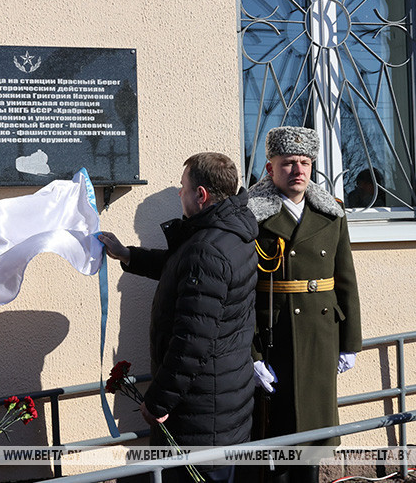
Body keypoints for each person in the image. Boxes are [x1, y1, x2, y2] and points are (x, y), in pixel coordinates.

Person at [100, 152, 258, 483]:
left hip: (202, 412)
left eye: (183, 187)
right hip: (221, 402)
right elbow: (180, 268)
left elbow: (192, 342)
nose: (179, 193)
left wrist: (157, 402)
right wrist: (129, 255)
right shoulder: (225, 232)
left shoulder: (208, 248)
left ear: (201, 195)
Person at [248, 126, 362, 483]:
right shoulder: (251, 215)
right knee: (275, 436)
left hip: (320, 334)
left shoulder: (331, 213)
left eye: (304, 162)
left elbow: (346, 279)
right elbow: (241, 290)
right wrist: (250, 354)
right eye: (287, 163)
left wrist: (350, 342)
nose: (297, 170)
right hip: (273, 335)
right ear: (270, 169)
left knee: (314, 434)